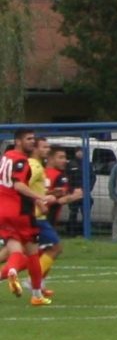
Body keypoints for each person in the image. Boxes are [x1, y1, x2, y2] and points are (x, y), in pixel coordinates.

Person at [0, 128, 56, 306]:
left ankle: (12, 271)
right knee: (32, 253)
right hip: (20, 211)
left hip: (3, 211)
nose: (32, 141)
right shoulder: (22, 161)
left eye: (33, 139)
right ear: (18, 141)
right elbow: (18, 186)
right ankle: (36, 295)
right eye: (28, 139)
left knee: (15, 250)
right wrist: (41, 198)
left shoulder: (6, 156)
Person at [40, 145, 82, 281]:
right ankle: (33, 280)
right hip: (45, 219)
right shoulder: (59, 176)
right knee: (53, 249)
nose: (64, 160)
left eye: (65, 157)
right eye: (60, 157)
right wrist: (74, 196)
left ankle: (38, 284)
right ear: (50, 158)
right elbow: (58, 200)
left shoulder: (41, 172)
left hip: (38, 216)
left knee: (46, 252)